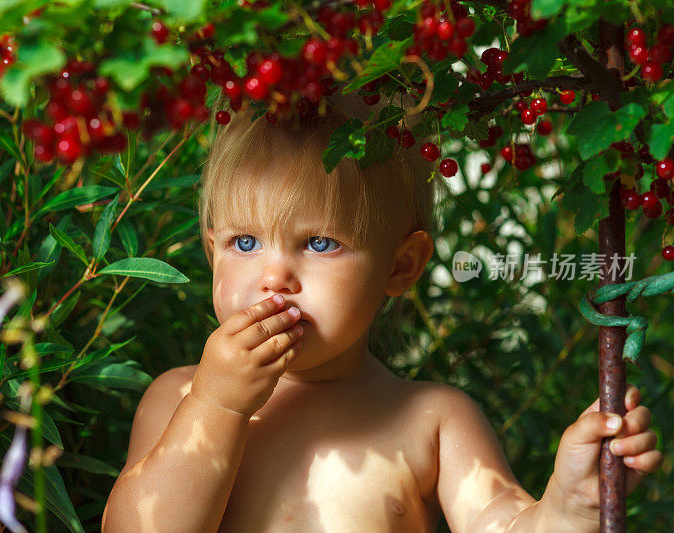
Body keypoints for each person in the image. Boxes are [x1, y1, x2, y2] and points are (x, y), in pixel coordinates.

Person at [101, 93, 662, 532]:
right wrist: (217, 403)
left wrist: (574, 508)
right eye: (244, 243)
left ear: (400, 266)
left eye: (319, 243)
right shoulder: (179, 398)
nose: (273, 278)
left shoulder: (431, 420)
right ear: (210, 249)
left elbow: (505, 525)